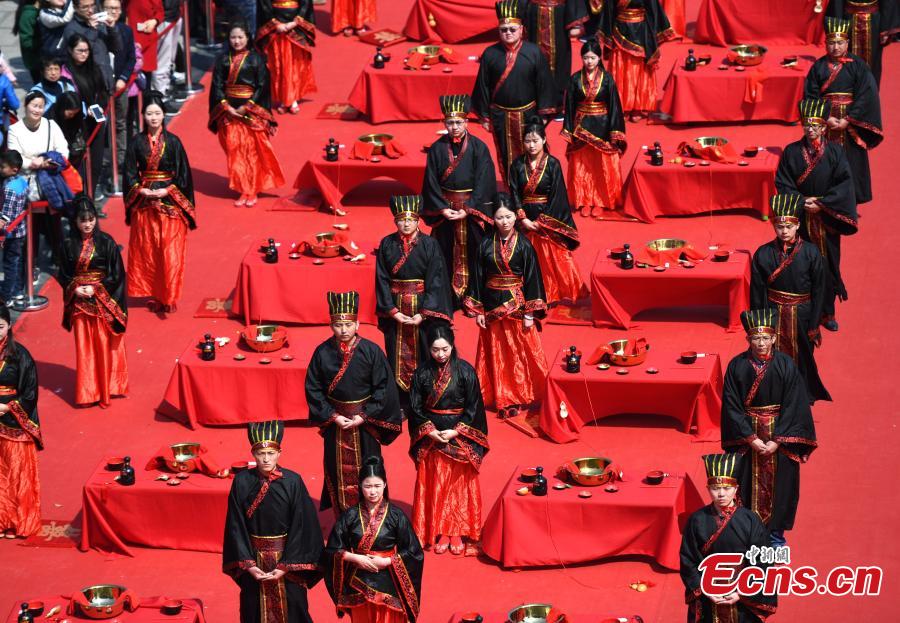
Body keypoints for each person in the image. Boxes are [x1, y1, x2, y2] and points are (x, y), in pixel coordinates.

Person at [721, 310, 817, 547]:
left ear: (774, 338)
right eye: (756, 338)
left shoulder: (786, 365)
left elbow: (795, 404)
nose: (761, 343)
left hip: (779, 438)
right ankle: (746, 534)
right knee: (744, 485)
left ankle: (776, 536)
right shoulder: (737, 366)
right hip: (748, 438)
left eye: (766, 338)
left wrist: (777, 441)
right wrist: (751, 438)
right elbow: (731, 406)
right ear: (748, 340)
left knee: (782, 488)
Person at [305, 291, 402, 516]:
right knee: (336, 472)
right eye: (338, 324)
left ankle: (373, 520)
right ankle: (343, 521)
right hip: (336, 425)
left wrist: (364, 416)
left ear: (357, 324)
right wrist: (333, 416)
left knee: (370, 473)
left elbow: (384, 388)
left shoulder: (371, 352)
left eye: (348, 324)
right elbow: (313, 389)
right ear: (331, 325)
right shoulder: (322, 353)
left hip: (364, 426)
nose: (343, 329)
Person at [223, 421, 323, 623]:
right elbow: (236, 525)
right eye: (261, 454)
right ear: (253, 454)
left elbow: (302, 525)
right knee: (253, 610)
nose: (266, 458)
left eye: (271, 453)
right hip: (253, 560)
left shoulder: (293, 481)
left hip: (288, 562)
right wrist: (249, 566)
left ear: (279, 453)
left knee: (294, 608)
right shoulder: (241, 481)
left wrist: (285, 566)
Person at [775, 98, 857, 333]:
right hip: (799, 220)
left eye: (815, 125)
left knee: (828, 266)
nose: (810, 129)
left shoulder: (835, 152)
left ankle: (827, 312)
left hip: (826, 218)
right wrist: (801, 202)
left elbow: (844, 183)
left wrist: (822, 204)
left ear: (823, 128)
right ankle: (806, 316)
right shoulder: (791, 152)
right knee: (801, 267)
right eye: (806, 125)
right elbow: (783, 182)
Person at [464, 194, 548, 418]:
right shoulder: (484, 245)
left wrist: (530, 311)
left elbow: (533, 279)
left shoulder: (524, 245)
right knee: (496, 352)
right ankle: (501, 395)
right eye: (500, 217)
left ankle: (522, 392)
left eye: (508, 217)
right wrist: (478, 310)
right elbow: (477, 278)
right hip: (491, 305)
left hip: (517, 305)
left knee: (519, 351)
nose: (504, 222)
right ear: (493, 219)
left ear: (515, 217)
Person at [409, 325, 488, 556]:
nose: (440, 354)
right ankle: (440, 529)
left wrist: (456, 431)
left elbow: (474, 407)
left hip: (459, 434)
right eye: (435, 350)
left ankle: (456, 530)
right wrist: (429, 430)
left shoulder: (465, 371)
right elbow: (414, 408)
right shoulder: (421, 374)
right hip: (432, 434)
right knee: (436, 482)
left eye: (445, 349)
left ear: (452, 346)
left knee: (457, 483)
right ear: (428, 348)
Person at [323, 456, 423, 622]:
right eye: (367, 486)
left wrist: (388, 561)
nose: (373, 491)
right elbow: (331, 549)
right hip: (357, 580)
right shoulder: (350, 515)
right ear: (360, 486)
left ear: (384, 484)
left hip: (389, 578)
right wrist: (354, 557)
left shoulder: (396, 515)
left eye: (377, 486)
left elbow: (414, 551)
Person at [751, 194, 830, 403]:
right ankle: (776, 393)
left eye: (789, 226)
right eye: (779, 226)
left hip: (802, 314)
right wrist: (759, 324)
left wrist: (815, 324)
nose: (784, 231)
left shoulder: (812, 253)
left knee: (804, 355)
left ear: (797, 225)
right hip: (774, 313)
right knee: (771, 355)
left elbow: (819, 291)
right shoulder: (762, 254)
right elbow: (757, 293)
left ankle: (802, 395)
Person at [375, 194, 452, 410]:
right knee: (395, 355)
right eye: (401, 219)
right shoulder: (387, 244)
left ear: (418, 220)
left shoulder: (430, 244)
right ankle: (400, 403)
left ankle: (427, 399)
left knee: (426, 351)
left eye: (410, 219)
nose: (406, 223)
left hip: (422, 308)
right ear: (395, 221)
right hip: (396, 307)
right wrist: (391, 310)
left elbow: (436, 280)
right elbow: (381, 278)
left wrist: (423, 313)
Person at [680, 454, 777, 622]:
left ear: (736, 489)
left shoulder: (750, 520)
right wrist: (705, 589)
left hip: (742, 593)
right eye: (715, 488)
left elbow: (763, 561)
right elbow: (688, 559)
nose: (721, 494)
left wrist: (741, 592)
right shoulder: (697, 520)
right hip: (707, 593)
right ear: (708, 488)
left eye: (726, 488)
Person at [421, 95, 496, 310]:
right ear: (444, 123)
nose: (454, 127)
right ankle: (448, 299)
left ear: (467, 122)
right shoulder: (436, 149)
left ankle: (475, 297)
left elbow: (485, 179)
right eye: (450, 123)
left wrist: (469, 208)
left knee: (476, 253)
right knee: (443, 254)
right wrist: (442, 208)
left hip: (471, 211)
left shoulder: (479, 147)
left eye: (458, 122)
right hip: (445, 210)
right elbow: (430, 181)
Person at [124, 91, 196, 313]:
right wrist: (141, 190)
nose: (153, 117)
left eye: (157, 113)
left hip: (170, 204)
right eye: (149, 113)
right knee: (150, 251)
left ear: (164, 114)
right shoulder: (136, 142)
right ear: (143, 116)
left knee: (170, 252)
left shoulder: (174, 142)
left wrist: (167, 190)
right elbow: (128, 173)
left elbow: (183, 175)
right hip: (145, 203)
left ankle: (169, 294)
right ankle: (156, 292)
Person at [471, 1, 558, 182]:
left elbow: (544, 84)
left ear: (521, 29)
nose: (508, 33)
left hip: (529, 115)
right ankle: (512, 190)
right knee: (505, 154)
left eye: (512, 29)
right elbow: (483, 86)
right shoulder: (490, 54)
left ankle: (536, 189)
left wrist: (543, 115)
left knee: (534, 152)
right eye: (504, 29)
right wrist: (485, 117)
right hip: (501, 116)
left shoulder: (534, 52)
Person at [804, 17, 883, 204]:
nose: (836, 47)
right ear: (825, 44)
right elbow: (810, 95)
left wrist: (850, 118)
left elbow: (866, 94)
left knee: (852, 159)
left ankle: (852, 198)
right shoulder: (818, 67)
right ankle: (825, 197)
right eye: (831, 43)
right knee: (823, 158)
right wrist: (825, 118)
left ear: (847, 42)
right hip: (826, 123)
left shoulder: (858, 66)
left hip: (850, 124)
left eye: (840, 42)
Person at [57, 198, 127, 408]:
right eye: (83, 220)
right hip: (80, 302)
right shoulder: (67, 244)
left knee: (104, 345)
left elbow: (117, 274)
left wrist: (96, 288)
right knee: (84, 347)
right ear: (75, 221)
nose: (87, 224)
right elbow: (63, 274)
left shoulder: (107, 242)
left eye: (91, 219)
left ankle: (108, 387)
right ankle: (88, 392)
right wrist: (74, 288)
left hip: (102, 300)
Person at [508, 117, 585, 305]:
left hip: (546, 219)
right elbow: (514, 192)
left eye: (535, 140)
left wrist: (542, 222)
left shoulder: (553, 164)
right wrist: (522, 218)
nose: (532, 145)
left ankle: (551, 293)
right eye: (528, 141)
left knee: (553, 259)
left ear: (543, 140)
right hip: (525, 217)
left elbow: (558, 195)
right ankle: (528, 293)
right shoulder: (517, 165)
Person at [208, 20, 284, 207]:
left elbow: (262, 86)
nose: (236, 41)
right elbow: (217, 86)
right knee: (234, 152)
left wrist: (247, 106)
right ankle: (243, 188)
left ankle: (252, 189)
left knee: (251, 152)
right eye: (233, 37)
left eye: (240, 37)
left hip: (250, 111)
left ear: (247, 38)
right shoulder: (222, 60)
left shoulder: (256, 59)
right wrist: (227, 107)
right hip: (229, 112)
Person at [561, 37, 626, 216]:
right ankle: (584, 200)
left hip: (603, 126)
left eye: (593, 58)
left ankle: (601, 200)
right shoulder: (575, 79)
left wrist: (614, 132)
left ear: (599, 58)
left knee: (601, 165)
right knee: (583, 165)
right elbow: (570, 107)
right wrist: (569, 130)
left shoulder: (607, 79)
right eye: (586, 58)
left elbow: (614, 107)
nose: (589, 61)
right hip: (581, 126)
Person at [593, 0, 674, 121]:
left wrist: (654, 35)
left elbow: (654, 10)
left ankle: (638, 106)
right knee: (621, 69)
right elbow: (609, 9)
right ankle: (621, 106)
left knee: (638, 69)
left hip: (641, 31)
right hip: (619, 31)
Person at [0, 304, 42, 539]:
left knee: (17, 475)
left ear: (9, 326)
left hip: (14, 421)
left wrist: (6, 407)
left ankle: (19, 521)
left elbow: (29, 392)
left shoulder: (20, 355)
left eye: (0, 327)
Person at [62, 33, 109, 199]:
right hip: (77, 125)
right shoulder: (65, 72)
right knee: (79, 166)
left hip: (95, 122)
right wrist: (84, 109)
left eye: (86, 51)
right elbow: (68, 98)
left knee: (96, 165)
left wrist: (99, 108)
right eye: (80, 50)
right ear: (70, 50)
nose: (84, 54)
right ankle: (81, 203)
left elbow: (103, 91)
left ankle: (90, 200)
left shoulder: (93, 68)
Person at [255, 0, 316, 114]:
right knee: (279, 64)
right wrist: (276, 23)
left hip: (295, 25)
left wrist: (296, 21)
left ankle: (291, 98)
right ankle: (284, 98)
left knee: (294, 63)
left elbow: (306, 3)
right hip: (276, 27)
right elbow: (264, 4)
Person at [521, 0, 589, 102]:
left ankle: (557, 103)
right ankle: (534, 100)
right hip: (534, 14)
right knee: (532, 57)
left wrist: (576, 21)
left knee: (559, 60)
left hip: (558, 17)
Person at [826, 0, 899, 86]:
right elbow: (837, 3)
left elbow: (888, 2)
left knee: (873, 61)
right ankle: (847, 92)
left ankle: (870, 94)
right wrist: (837, 25)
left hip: (873, 23)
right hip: (849, 21)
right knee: (846, 59)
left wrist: (885, 28)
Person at [104, 0, 136, 184]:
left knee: (121, 123)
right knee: (102, 126)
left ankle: (121, 161)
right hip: (101, 87)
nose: (113, 12)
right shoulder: (98, 30)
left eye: (115, 8)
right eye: (109, 8)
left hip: (120, 86)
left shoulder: (126, 30)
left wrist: (123, 78)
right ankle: (106, 162)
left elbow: (131, 57)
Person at [62, 0, 123, 90]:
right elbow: (79, 56)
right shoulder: (71, 29)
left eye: (92, 6)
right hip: (85, 83)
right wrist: (91, 30)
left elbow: (117, 48)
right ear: (75, 8)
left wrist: (112, 29)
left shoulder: (100, 23)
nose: (90, 10)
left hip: (105, 80)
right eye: (85, 7)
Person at [0, 152, 28, 307]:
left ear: (14, 169)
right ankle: (17, 291)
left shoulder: (9, 188)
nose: (0, 169)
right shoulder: (22, 182)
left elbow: (7, 215)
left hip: (11, 233)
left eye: (3, 167)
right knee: (17, 261)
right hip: (20, 230)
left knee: (10, 264)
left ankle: (6, 296)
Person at [13, 0, 42, 83]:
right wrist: (44, 41)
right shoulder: (28, 15)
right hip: (35, 61)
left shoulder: (38, 11)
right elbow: (26, 42)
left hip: (38, 59)